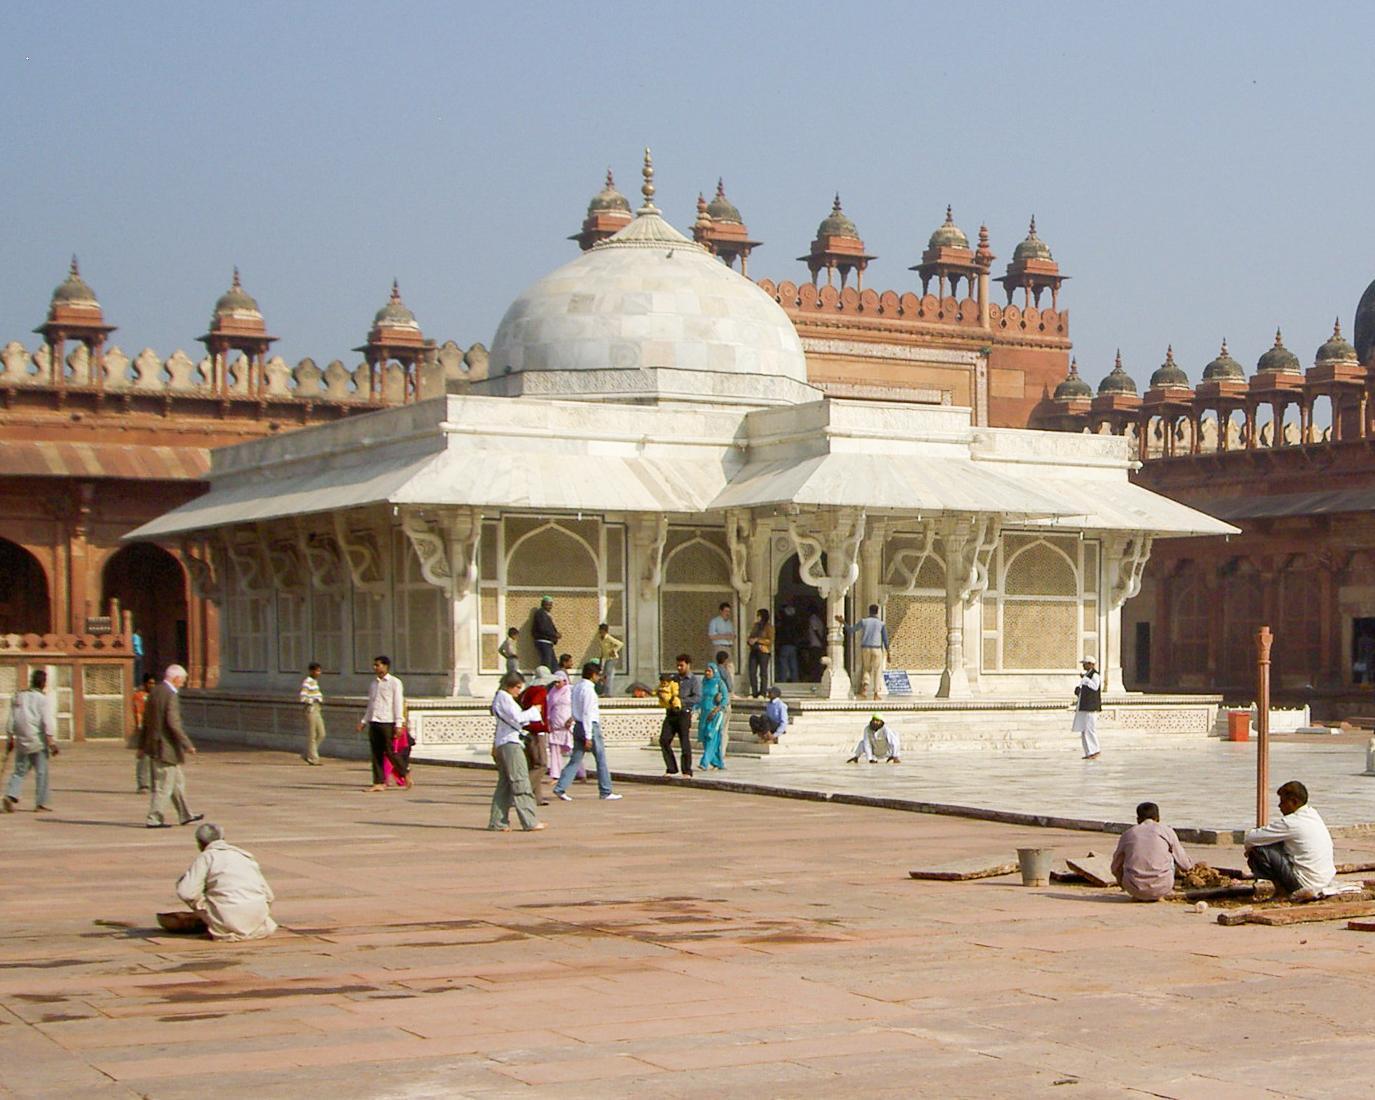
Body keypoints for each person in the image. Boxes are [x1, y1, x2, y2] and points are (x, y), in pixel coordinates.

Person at [175, 823, 277, 940]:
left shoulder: (206, 857)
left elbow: (186, 893)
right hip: (257, 922)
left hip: (227, 920)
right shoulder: (244, 855)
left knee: (186, 886)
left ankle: (219, 924)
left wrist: (204, 904)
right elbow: (269, 896)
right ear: (223, 838)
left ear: (200, 843)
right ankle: (243, 922)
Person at [1244, 780, 1339, 901]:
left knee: (1259, 850)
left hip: (1305, 884)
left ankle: (1282, 891)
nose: (1279, 806)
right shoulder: (1313, 815)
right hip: (1324, 881)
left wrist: (1250, 848)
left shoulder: (1291, 823)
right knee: (1271, 841)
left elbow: (1251, 838)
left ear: (1293, 802)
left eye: (1282, 802)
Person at [140, 664, 204, 828]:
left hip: (156, 745)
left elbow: (146, 722)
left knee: (177, 783)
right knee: (164, 786)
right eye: (182, 680)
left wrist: (142, 745)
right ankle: (154, 818)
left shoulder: (155, 692)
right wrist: (187, 744)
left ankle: (185, 814)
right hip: (166, 748)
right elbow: (173, 723)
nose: (182, 684)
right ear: (175, 679)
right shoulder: (170, 695)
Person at [488, 672, 548, 831]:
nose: (519, 691)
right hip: (510, 744)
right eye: (518, 687)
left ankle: (498, 821)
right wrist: (534, 711)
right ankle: (529, 821)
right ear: (510, 685)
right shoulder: (504, 698)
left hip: (505, 742)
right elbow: (518, 717)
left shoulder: (501, 698)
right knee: (521, 781)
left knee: (505, 785)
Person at [553, 663, 621, 801]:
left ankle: (561, 787)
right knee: (600, 759)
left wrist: (572, 718)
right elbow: (587, 713)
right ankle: (605, 790)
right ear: (593, 675)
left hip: (578, 725)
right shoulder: (588, 690)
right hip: (588, 726)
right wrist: (589, 736)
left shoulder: (577, 687)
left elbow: (576, 706)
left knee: (576, 759)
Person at [1110, 802, 1194, 902]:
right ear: (1158, 818)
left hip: (1133, 888)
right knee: (1171, 858)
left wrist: (1121, 881)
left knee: (1125, 859)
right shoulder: (1167, 831)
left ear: (1138, 820)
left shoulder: (1128, 833)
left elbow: (1115, 868)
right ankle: (1159, 892)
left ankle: (1138, 893)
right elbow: (1185, 865)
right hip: (1162, 887)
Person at [4, 669, 58, 813]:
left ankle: (10, 795)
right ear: (43, 683)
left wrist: (10, 737)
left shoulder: (19, 696)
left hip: (22, 740)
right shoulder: (42, 699)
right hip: (38, 741)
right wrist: (51, 741)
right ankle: (40, 803)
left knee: (19, 771)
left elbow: (12, 718)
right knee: (41, 772)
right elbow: (47, 720)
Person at [358, 655, 409, 792]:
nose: (375, 668)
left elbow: (398, 703)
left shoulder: (394, 683)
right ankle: (379, 782)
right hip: (375, 721)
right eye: (374, 665)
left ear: (386, 666)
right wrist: (364, 721)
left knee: (390, 752)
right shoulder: (373, 684)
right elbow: (371, 704)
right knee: (376, 753)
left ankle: (404, 772)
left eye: (378, 665)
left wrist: (399, 724)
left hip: (388, 722)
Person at [517, 666, 554, 806]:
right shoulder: (540, 691)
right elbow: (535, 710)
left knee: (534, 764)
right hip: (536, 731)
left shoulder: (526, 692)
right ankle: (523, 791)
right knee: (541, 765)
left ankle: (536, 797)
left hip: (526, 730)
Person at [659, 653, 700, 778]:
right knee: (664, 740)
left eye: (681, 665)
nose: (679, 668)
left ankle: (686, 770)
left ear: (688, 665)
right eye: (677, 665)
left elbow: (697, 697)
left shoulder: (693, 680)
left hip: (684, 713)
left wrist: (681, 702)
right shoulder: (673, 679)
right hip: (671, 713)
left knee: (684, 742)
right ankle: (671, 768)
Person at [839, 605, 889, 701]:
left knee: (866, 669)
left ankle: (864, 689)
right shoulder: (881, 624)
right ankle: (876, 693)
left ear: (869, 611)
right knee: (877, 670)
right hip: (877, 649)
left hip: (865, 648)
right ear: (877, 612)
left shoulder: (864, 621)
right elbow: (885, 639)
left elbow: (851, 630)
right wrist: (888, 651)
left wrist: (843, 622)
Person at [697, 661, 730, 771]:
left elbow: (726, 698)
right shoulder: (704, 682)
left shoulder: (719, 683)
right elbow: (701, 698)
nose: (707, 673)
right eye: (706, 671)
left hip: (715, 714)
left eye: (709, 671)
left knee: (712, 737)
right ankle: (717, 762)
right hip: (704, 715)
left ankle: (704, 763)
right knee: (706, 738)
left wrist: (717, 709)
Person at [545, 668, 575, 780]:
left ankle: (579, 773)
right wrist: (548, 720)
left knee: (574, 750)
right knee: (555, 750)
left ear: (565, 681)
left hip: (568, 724)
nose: (557, 684)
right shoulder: (552, 693)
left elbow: (576, 707)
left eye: (559, 682)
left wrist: (572, 719)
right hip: (556, 724)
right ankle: (555, 775)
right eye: (555, 682)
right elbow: (548, 708)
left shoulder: (570, 691)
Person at [130, 673, 158, 792]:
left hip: (155, 730)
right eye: (150, 683)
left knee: (155, 758)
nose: (152, 685)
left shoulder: (156, 696)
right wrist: (140, 727)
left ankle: (155, 783)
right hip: (143, 729)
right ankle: (143, 784)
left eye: (154, 683)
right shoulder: (139, 696)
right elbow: (138, 712)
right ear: (145, 683)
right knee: (143, 757)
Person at [1073, 656, 1103, 760]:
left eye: (1085, 663)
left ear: (1090, 664)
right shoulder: (1087, 676)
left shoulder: (1095, 675)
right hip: (1084, 707)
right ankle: (1088, 752)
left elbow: (1095, 687)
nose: (1083, 665)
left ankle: (1095, 750)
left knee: (1090, 729)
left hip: (1091, 707)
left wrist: (1086, 680)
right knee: (1084, 730)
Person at [299, 662, 326, 765]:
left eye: (319, 671)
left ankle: (307, 753)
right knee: (312, 734)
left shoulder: (314, 682)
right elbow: (303, 697)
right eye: (317, 671)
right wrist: (312, 700)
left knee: (322, 733)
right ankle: (313, 758)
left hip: (317, 708)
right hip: (311, 709)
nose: (319, 673)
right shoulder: (307, 682)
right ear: (312, 671)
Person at [746, 609, 773, 697]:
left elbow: (770, 640)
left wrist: (758, 640)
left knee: (763, 673)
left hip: (764, 651)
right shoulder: (755, 626)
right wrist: (750, 640)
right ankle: (754, 692)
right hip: (754, 650)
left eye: (758, 615)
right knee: (752, 672)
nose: (757, 617)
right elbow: (750, 636)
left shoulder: (769, 627)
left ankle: (763, 692)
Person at [714, 649, 734, 759]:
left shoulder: (712, 671)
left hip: (713, 701)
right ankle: (721, 753)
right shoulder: (724, 672)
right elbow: (730, 686)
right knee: (723, 728)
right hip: (723, 700)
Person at [775, 604, 801, 683]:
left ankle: (783, 680)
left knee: (784, 664)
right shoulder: (795, 623)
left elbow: (780, 634)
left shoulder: (783, 623)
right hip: (793, 645)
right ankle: (795, 680)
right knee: (793, 664)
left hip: (785, 645)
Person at [532, 596, 560, 670]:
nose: (550, 607)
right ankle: (545, 679)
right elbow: (543, 628)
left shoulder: (545, 614)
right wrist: (554, 634)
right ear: (542, 604)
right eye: (548, 604)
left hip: (548, 642)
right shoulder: (540, 614)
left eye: (551, 605)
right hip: (543, 642)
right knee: (546, 664)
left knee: (554, 665)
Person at [597, 624, 624, 696]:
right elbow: (602, 650)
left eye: (602, 631)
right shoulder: (600, 638)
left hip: (613, 658)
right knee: (604, 675)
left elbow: (620, 644)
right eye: (600, 630)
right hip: (607, 658)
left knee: (608, 675)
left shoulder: (608, 638)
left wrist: (614, 650)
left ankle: (608, 693)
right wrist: (601, 659)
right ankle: (605, 692)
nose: (601, 632)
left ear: (605, 631)